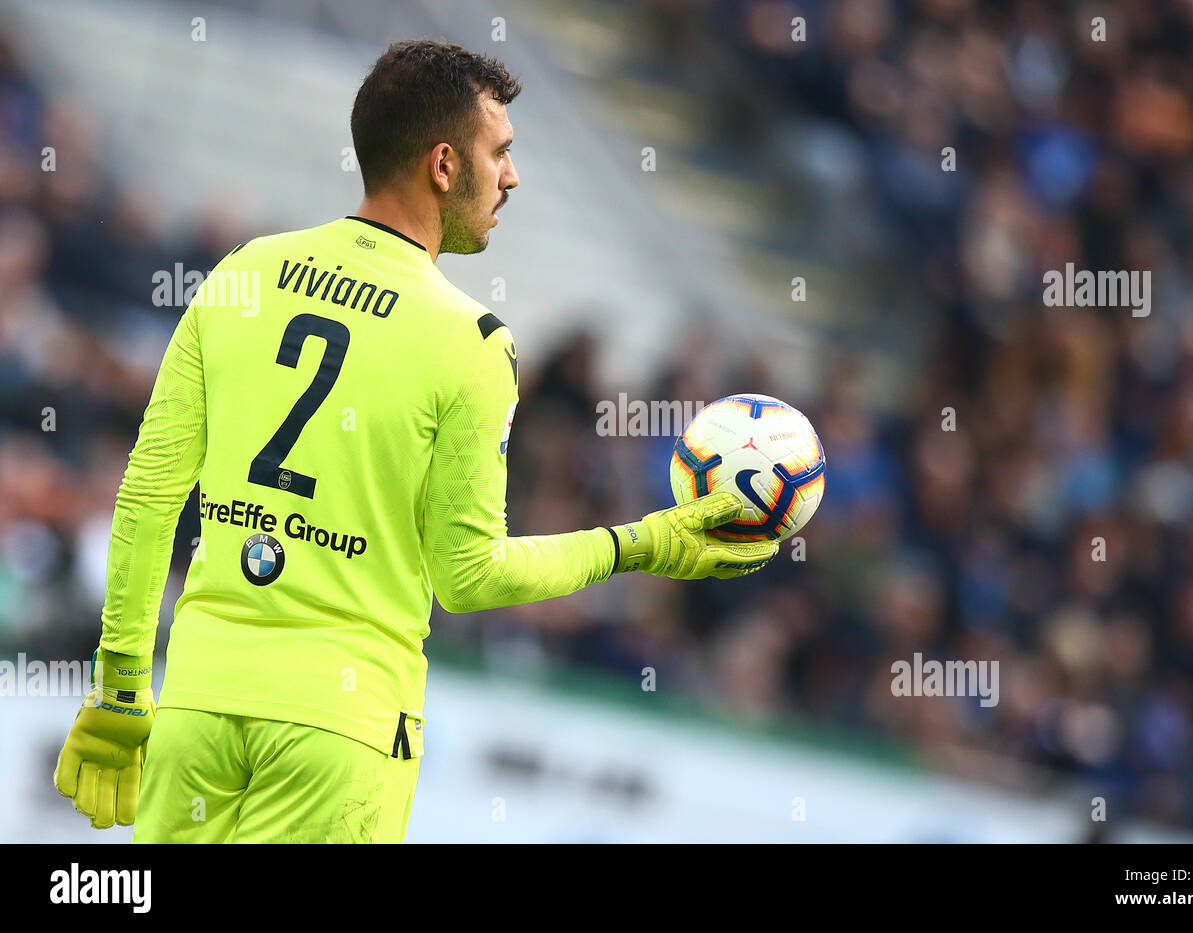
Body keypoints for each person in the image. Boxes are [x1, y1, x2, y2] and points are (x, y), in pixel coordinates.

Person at [54, 39, 777, 843]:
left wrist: (121, 686)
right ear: (442, 164)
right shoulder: (471, 342)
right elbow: (469, 575)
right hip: (339, 728)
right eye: (499, 153)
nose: (511, 176)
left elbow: (149, 493)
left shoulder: (241, 273)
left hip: (194, 708)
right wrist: (640, 543)